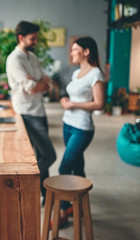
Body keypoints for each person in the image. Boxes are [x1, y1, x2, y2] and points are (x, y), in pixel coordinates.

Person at [6, 20, 56, 204]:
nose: (36, 41)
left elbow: (45, 81)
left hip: (40, 111)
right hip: (27, 113)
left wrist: (37, 83)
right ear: (21, 38)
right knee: (49, 155)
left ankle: (44, 194)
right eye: (32, 38)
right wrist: (36, 83)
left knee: (42, 155)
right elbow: (33, 87)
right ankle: (26, 186)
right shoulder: (14, 59)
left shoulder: (33, 58)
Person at [57, 36, 105, 226]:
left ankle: (62, 210)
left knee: (64, 168)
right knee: (77, 168)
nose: (72, 53)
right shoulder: (76, 73)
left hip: (82, 128)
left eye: (75, 49)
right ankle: (79, 207)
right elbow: (69, 96)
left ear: (87, 51)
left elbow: (100, 104)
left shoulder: (96, 74)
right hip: (67, 124)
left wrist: (73, 104)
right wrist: (64, 101)